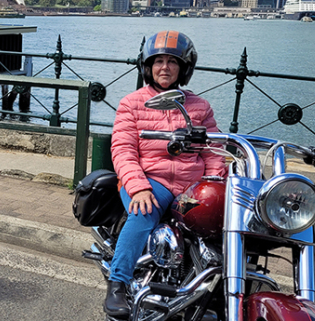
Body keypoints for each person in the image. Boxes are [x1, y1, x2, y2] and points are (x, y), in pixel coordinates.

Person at [104, 30, 227, 318]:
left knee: (218, 217)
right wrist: (138, 187)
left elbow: (213, 149)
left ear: (183, 68)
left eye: (172, 62)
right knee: (144, 213)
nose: (165, 68)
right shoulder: (132, 103)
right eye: (158, 61)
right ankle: (118, 284)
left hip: (189, 184)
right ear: (147, 67)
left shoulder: (199, 106)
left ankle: (214, 283)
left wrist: (214, 182)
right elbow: (123, 149)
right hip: (150, 180)